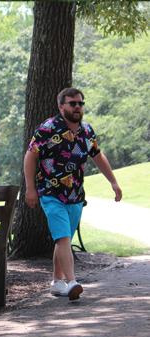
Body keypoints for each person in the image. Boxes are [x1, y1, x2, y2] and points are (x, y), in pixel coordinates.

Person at [24, 87, 122, 301]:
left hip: (76, 194)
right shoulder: (48, 128)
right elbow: (31, 156)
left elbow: (97, 155)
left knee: (63, 238)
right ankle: (72, 281)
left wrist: (113, 182)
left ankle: (57, 283)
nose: (77, 107)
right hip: (50, 191)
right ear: (61, 107)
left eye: (80, 103)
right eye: (72, 103)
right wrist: (31, 189)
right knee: (63, 236)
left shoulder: (86, 130)